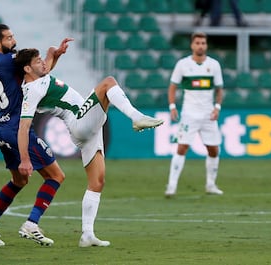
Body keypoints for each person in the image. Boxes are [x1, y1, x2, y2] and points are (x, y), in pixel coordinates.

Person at [14, 48, 164, 247]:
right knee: (108, 83)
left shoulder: (39, 79)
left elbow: (44, 68)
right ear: (27, 68)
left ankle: (87, 235)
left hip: (87, 129)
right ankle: (137, 118)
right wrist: (24, 159)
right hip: (80, 122)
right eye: (38, 61)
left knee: (97, 182)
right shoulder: (32, 90)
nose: (43, 63)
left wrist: (54, 54)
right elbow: (23, 126)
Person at [0, 24, 72, 246]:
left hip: (2, 128)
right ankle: (31, 224)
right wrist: (50, 55)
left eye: (13, 36)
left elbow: (39, 73)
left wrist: (52, 56)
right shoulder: (10, 60)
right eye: (8, 38)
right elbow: (40, 70)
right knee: (56, 176)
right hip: (18, 128)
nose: (13, 40)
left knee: (19, 179)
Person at [164, 32, 224, 197]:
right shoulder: (182, 65)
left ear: (206, 46)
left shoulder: (214, 65)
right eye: (197, 43)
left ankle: (210, 184)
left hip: (208, 114)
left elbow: (219, 89)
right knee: (182, 147)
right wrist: (172, 106)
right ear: (192, 45)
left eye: (203, 43)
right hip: (189, 114)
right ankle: (171, 185)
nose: (200, 46)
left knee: (213, 150)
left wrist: (217, 107)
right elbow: (172, 87)